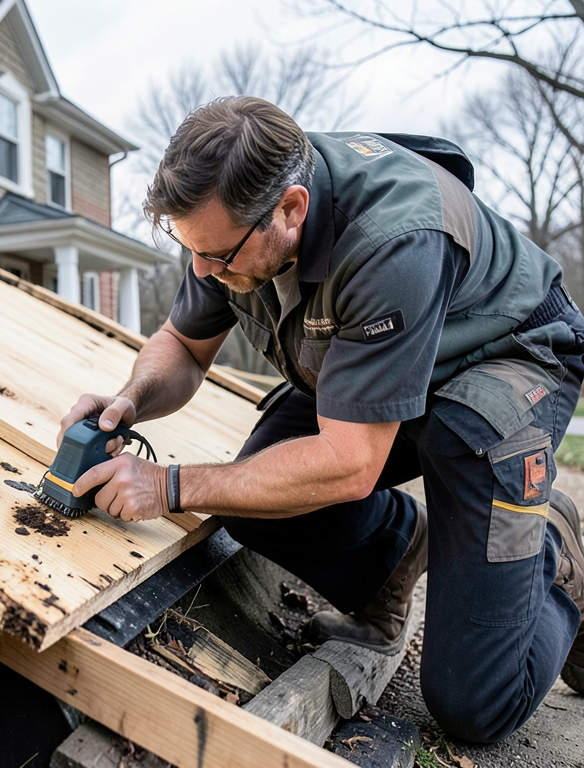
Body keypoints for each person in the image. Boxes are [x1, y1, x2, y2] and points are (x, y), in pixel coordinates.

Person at [60, 96, 584, 743]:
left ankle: (555, 556)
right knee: (251, 491)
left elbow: (349, 463)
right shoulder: (229, 218)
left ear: (292, 210)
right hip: (386, 367)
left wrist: (170, 485)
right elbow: (184, 345)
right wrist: (130, 399)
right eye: (191, 251)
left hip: (504, 363)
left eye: (218, 257)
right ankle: (397, 555)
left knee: (473, 705)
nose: (202, 271)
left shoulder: (390, 240)